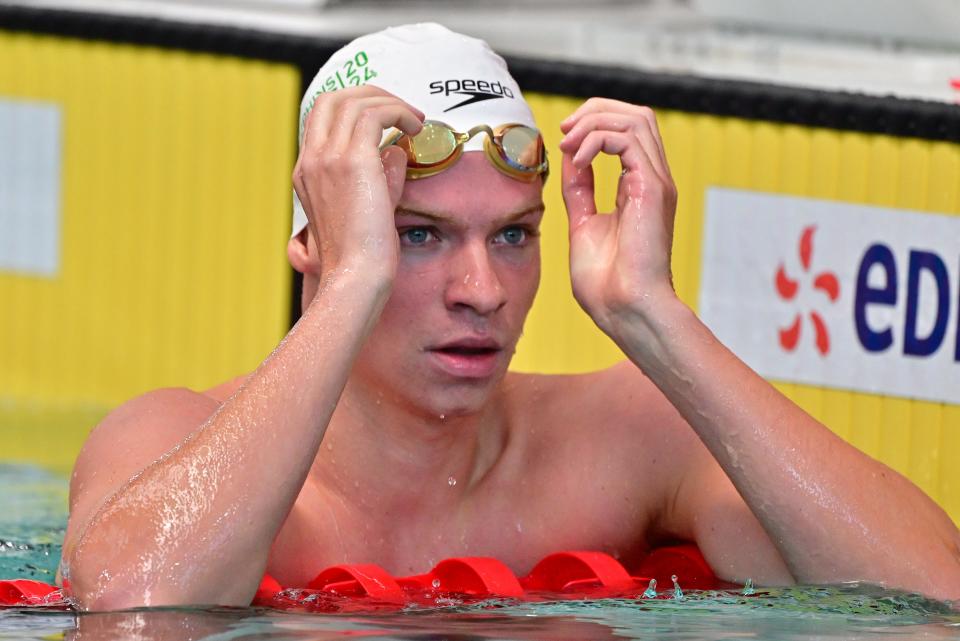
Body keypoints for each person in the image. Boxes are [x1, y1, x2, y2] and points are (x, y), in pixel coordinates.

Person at [59, 23, 960, 610]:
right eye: (418, 237)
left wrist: (654, 318)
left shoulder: (622, 442)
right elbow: (134, 604)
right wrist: (352, 283)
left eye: (514, 236)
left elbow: (933, 599)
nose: (481, 289)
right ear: (313, 242)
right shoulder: (168, 437)